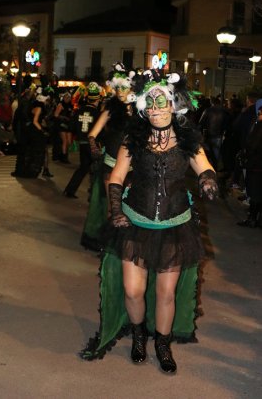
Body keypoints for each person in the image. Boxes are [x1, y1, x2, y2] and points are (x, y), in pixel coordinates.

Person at [80, 69, 218, 374]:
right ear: (143, 107)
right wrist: (116, 210)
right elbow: (116, 176)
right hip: (135, 223)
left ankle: (162, 344)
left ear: (173, 104)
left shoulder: (188, 140)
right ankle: (139, 335)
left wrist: (208, 181)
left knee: (166, 293)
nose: (156, 110)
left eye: (161, 103)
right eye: (150, 104)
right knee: (133, 291)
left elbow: (205, 167)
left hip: (175, 226)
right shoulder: (134, 139)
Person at [81, 63, 135, 251]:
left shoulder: (142, 111)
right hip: (111, 164)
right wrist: (94, 147)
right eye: (117, 87)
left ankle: (126, 245)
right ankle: (110, 248)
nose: (120, 91)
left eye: (124, 87)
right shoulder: (110, 109)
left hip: (135, 168)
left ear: (132, 87)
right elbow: (92, 134)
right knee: (114, 207)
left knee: (131, 208)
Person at [63, 82, 102, 199]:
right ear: (97, 100)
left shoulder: (78, 111)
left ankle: (70, 190)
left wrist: (71, 141)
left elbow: (71, 127)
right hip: (93, 144)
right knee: (97, 169)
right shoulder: (98, 113)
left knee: (83, 167)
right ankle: (93, 195)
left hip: (82, 143)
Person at [237, 98, 262, 228]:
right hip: (257, 164)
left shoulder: (259, 127)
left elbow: (253, 145)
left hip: (256, 165)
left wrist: (246, 153)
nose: (258, 116)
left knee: (255, 192)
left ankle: (252, 219)